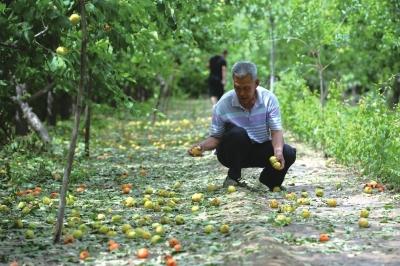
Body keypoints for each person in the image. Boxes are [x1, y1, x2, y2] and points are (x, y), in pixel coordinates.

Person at [189, 61, 296, 191]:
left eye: (246, 88)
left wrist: (278, 152)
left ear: (256, 83)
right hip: (231, 153)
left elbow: (276, 131)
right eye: (237, 87)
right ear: (233, 83)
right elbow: (216, 137)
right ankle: (233, 177)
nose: (242, 93)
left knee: (288, 152)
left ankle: (268, 182)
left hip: (259, 149)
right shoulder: (223, 104)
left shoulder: (269, 99)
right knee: (238, 134)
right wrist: (202, 146)